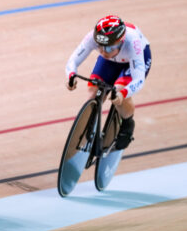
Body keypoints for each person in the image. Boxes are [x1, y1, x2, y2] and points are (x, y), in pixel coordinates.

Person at [65, 15, 152, 149]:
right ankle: (90, 126)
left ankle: (127, 124)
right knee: (92, 93)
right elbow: (73, 60)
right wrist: (71, 75)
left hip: (135, 60)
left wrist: (123, 93)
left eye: (109, 48)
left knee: (119, 90)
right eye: (100, 47)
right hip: (111, 61)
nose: (103, 51)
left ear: (120, 42)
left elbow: (138, 80)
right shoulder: (93, 37)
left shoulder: (132, 42)